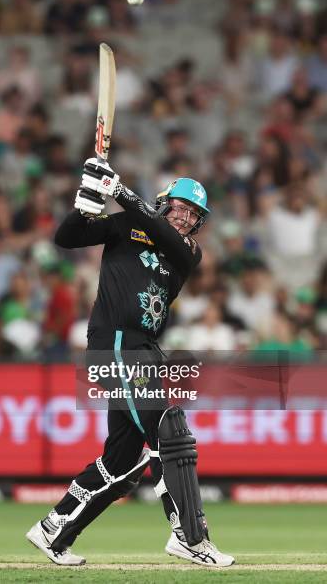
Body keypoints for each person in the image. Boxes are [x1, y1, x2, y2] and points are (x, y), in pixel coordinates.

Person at [26, 158, 235, 567]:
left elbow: (160, 234)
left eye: (193, 215)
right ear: (162, 205)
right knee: (169, 429)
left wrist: (119, 191)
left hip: (143, 349)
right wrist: (85, 204)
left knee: (123, 461)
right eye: (179, 208)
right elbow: (67, 238)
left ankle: (55, 527)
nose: (185, 218)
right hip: (116, 344)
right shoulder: (126, 226)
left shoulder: (187, 251)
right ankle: (190, 536)